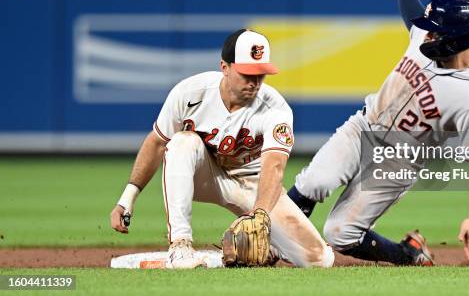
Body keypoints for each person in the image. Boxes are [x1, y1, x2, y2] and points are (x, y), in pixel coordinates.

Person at [287, 0, 469, 265]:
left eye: (434, 33)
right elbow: (414, 16)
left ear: (456, 40)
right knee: (314, 181)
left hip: (398, 160)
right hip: (364, 128)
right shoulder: (428, 37)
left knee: (339, 233)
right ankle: (268, 244)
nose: (424, 35)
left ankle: (408, 253)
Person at [110, 29, 335, 268]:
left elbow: (275, 167)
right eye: (247, 73)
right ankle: (180, 245)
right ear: (224, 67)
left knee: (320, 260)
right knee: (182, 142)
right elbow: (157, 142)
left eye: (261, 74)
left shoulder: (276, 109)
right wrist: (127, 198)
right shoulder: (190, 93)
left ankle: (260, 251)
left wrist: (260, 215)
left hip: (254, 184)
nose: (255, 82)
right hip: (207, 177)